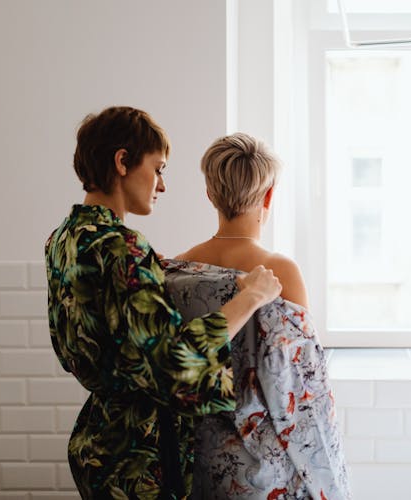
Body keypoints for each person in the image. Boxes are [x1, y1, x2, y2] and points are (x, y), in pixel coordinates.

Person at [45, 107, 282, 499]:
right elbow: (173, 362)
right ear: (122, 161)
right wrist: (251, 296)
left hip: (95, 440)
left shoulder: (63, 239)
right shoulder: (122, 248)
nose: (162, 185)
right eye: (159, 168)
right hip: (138, 458)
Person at [164, 132, 350, 499]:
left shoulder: (175, 274)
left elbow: (179, 372)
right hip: (267, 474)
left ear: (210, 194)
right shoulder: (281, 272)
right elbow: (300, 391)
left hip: (197, 469)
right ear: (269, 195)